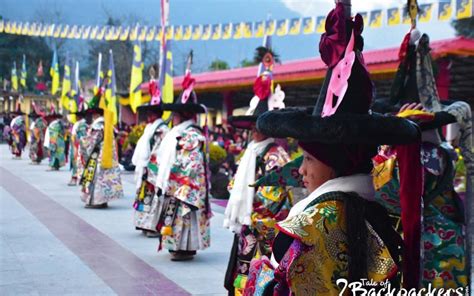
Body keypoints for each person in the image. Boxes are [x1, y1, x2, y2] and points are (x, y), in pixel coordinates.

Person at [244, 3, 422, 294]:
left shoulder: (312, 224)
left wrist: (257, 272)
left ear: (337, 162)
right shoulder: (381, 214)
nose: (300, 169)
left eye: (310, 159)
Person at [372, 29, 472, 289]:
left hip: (425, 243)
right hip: (442, 238)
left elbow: (386, 193)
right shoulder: (441, 152)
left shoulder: (420, 155)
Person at [223, 44, 292, 295]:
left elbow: (272, 200)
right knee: (241, 280)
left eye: (256, 126)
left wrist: (250, 214)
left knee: (257, 280)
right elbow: (236, 184)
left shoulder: (276, 156)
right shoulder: (253, 151)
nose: (252, 131)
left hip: (263, 231)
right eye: (251, 127)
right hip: (248, 226)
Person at [154, 60, 211, 261]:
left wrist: (179, 185)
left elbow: (192, 165)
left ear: (183, 115)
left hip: (185, 187)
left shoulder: (192, 136)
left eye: (176, 114)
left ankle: (186, 248)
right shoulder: (178, 133)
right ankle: (179, 246)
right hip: (176, 183)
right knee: (177, 219)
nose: (173, 117)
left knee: (185, 218)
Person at [132, 103, 169, 237]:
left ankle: (152, 226)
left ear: (157, 115)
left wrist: (150, 166)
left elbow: (160, 151)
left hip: (154, 168)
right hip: (146, 166)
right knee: (144, 197)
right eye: (148, 114)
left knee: (154, 197)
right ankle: (143, 223)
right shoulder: (150, 128)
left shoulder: (163, 130)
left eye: (151, 113)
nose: (148, 116)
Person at [80, 99, 123, 208]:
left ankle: (96, 201)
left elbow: (93, 141)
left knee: (96, 178)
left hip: (98, 155)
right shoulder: (108, 124)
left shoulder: (98, 125)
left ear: (96, 114)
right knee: (105, 178)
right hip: (108, 154)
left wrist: (83, 141)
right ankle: (103, 200)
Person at [68, 109, 89, 186]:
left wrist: (78, 145)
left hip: (78, 146)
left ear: (79, 117)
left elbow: (82, 137)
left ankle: (76, 178)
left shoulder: (82, 125)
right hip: (76, 145)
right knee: (77, 162)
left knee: (78, 162)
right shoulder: (79, 124)